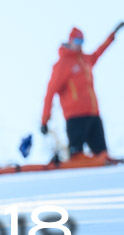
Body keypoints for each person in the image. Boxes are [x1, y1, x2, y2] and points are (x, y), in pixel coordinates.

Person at [41, 23, 124, 163]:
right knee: (77, 158)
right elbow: (50, 92)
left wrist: (113, 35)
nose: (80, 45)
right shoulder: (63, 64)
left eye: (82, 41)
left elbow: (99, 51)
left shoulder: (85, 60)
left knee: (103, 157)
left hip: (93, 115)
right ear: (70, 40)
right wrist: (45, 119)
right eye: (77, 41)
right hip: (75, 118)